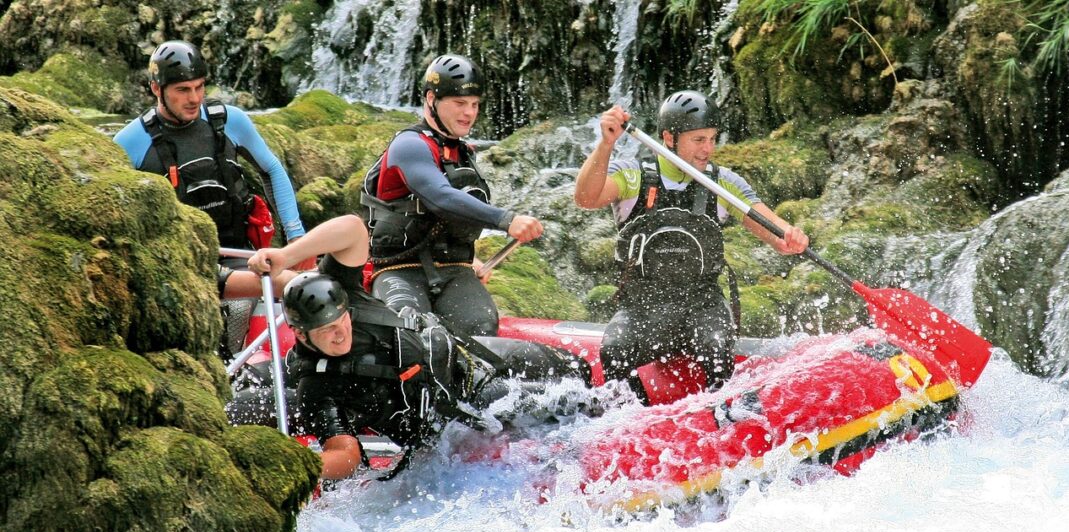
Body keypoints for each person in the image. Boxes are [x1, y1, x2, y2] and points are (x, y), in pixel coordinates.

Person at [247, 215, 586, 480]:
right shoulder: (317, 385)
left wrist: (286, 255)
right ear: (302, 336)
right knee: (574, 405)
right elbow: (346, 454)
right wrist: (299, 465)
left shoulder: (344, 291)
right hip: (457, 410)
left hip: (464, 357)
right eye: (326, 331)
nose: (340, 334)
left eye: (342, 322)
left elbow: (351, 229)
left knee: (576, 369)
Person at [574, 91, 809, 401]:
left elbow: (775, 233)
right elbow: (586, 198)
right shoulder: (632, 175)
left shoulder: (723, 182)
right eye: (699, 140)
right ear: (669, 137)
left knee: (715, 345)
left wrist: (791, 236)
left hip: (702, 306)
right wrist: (606, 145)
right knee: (616, 350)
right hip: (643, 307)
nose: (708, 149)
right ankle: (632, 422)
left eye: (712, 139)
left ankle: (723, 419)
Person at [360, 53, 544, 337]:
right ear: (431, 99)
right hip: (399, 271)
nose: (469, 113)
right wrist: (506, 220)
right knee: (411, 331)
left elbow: (452, 218)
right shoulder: (409, 145)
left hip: (454, 271)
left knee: (481, 328)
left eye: (474, 105)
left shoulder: (462, 153)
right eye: (459, 103)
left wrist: (471, 261)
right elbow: (440, 197)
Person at [113, 39, 310, 300]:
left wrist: (296, 237)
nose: (194, 98)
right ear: (156, 89)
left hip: (243, 257)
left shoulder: (229, 120)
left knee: (309, 286)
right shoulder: (130, 142)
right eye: (183, 89)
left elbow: (271, 169)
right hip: (182, 268)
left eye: (199, 87)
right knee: (289, 286)